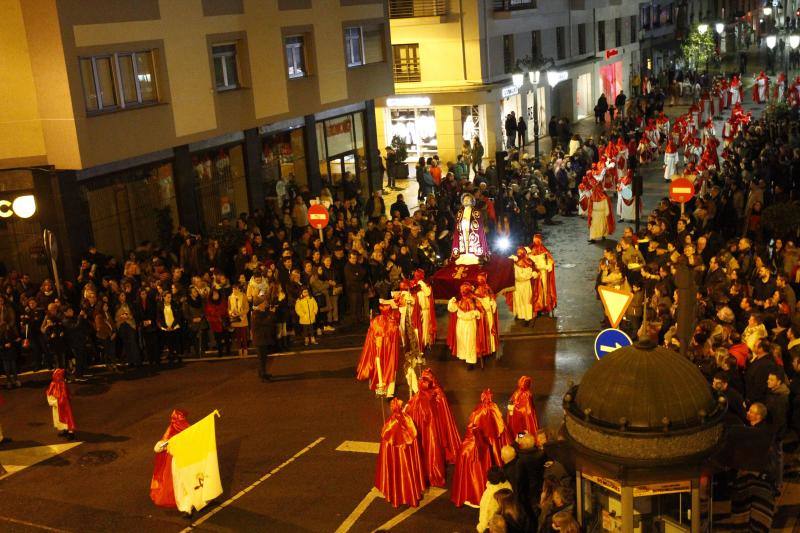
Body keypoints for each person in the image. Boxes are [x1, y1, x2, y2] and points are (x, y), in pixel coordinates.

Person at [374, 398, 426, 508]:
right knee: (409, 471)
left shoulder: (389, 425)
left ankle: (395, 496)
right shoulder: (408, 421)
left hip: (396, 455)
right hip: (407, 454)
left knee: (395, 473)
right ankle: (412, 495)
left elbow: (386, 444)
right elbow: (413, 439)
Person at [356, 302, 401, 397]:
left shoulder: (375, 321)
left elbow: (370, 336)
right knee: (390, 367)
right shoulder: (393, 322)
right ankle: (389, 391)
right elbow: (396, 338)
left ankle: (380, 387)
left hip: (378, 347)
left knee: (378, 366)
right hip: (389, 349)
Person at [150, 409, 190, 508]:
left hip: (186, 461)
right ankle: (186, 507)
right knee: (181, 485)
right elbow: (158, 447)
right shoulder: (171, 434)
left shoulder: (188, 431)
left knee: (185, 484)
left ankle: (187, 506)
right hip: (179, 463)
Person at [447, 283, 489, 370]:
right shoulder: (458, 300)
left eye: (465, 291)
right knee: (462, 341)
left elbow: (481, 312)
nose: (463, 293)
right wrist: (451, 301)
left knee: (470, 342)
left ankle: (471, 362)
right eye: (462, 291)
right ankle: (465, 357)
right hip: (461, 323)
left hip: (470, 323)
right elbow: (452, 308)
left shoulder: (474, 300)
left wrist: (476, 314)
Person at [452, 193, 490, 265]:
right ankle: (464, 255)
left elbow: (479, 224)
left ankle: (473, 255)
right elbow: (457, 223)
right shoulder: (459, 213)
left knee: (471, 241)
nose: (466, 201)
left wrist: (470, 224)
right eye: (464, 200)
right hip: (462, 230)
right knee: (463, 241)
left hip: (472, 231)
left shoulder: (476, 212)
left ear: (472, 201)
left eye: (468, 200)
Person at [528, 234, 557, 316]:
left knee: (544, 289)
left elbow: (550, 260)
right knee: (537, 290)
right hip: (537, 274)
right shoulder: (532, 251)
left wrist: (549, 266)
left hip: (544, 274)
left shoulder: (544, 250)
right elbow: (530, 262)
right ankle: (538, 306)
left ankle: (545, 305)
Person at [476, 467, 512, 533]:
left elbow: (484, 513)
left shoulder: (489, 495)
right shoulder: (508, 486)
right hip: (508, 522)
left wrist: (481, 528)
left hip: (495, 524)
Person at [252, 295, 277, 381]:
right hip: (259, 339)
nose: (265, 303)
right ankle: (263, 376)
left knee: (264, 358)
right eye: (263, 302)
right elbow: (266, 322)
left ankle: (262, 373)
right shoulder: (256, 314)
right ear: (260, 304)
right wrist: (272, 313)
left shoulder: (262, 312)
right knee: (261, 359)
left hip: (263, 338)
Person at [506, 375, 540, 440]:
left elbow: (510, 403)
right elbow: (530, 410)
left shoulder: (517, 393)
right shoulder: (528, 394)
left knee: (519, 429)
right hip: (524, 417)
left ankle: (519, 438)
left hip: (517, 417)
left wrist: (511, 412)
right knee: (526, 427)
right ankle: (525, 438)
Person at [46, 368, 75, 440]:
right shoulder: (54, 383)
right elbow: (50, 392)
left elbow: (65, 396)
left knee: (67, 418)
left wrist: (57, 402)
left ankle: (71, 433)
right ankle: (64, 430)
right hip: (57, 404)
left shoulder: (62, 385)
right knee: (58, 417)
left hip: (64, 405)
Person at [510, 248, 536, 324]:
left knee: (526, 300)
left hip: (525, 284)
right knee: (518, 299)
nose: (519, 254)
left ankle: (527, 317)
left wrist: (532, 274)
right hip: (517, 284)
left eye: (520, 253)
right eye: (517, 253)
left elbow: (529, 274)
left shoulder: (528, 263)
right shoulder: (514, 262)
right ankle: (519, 314)